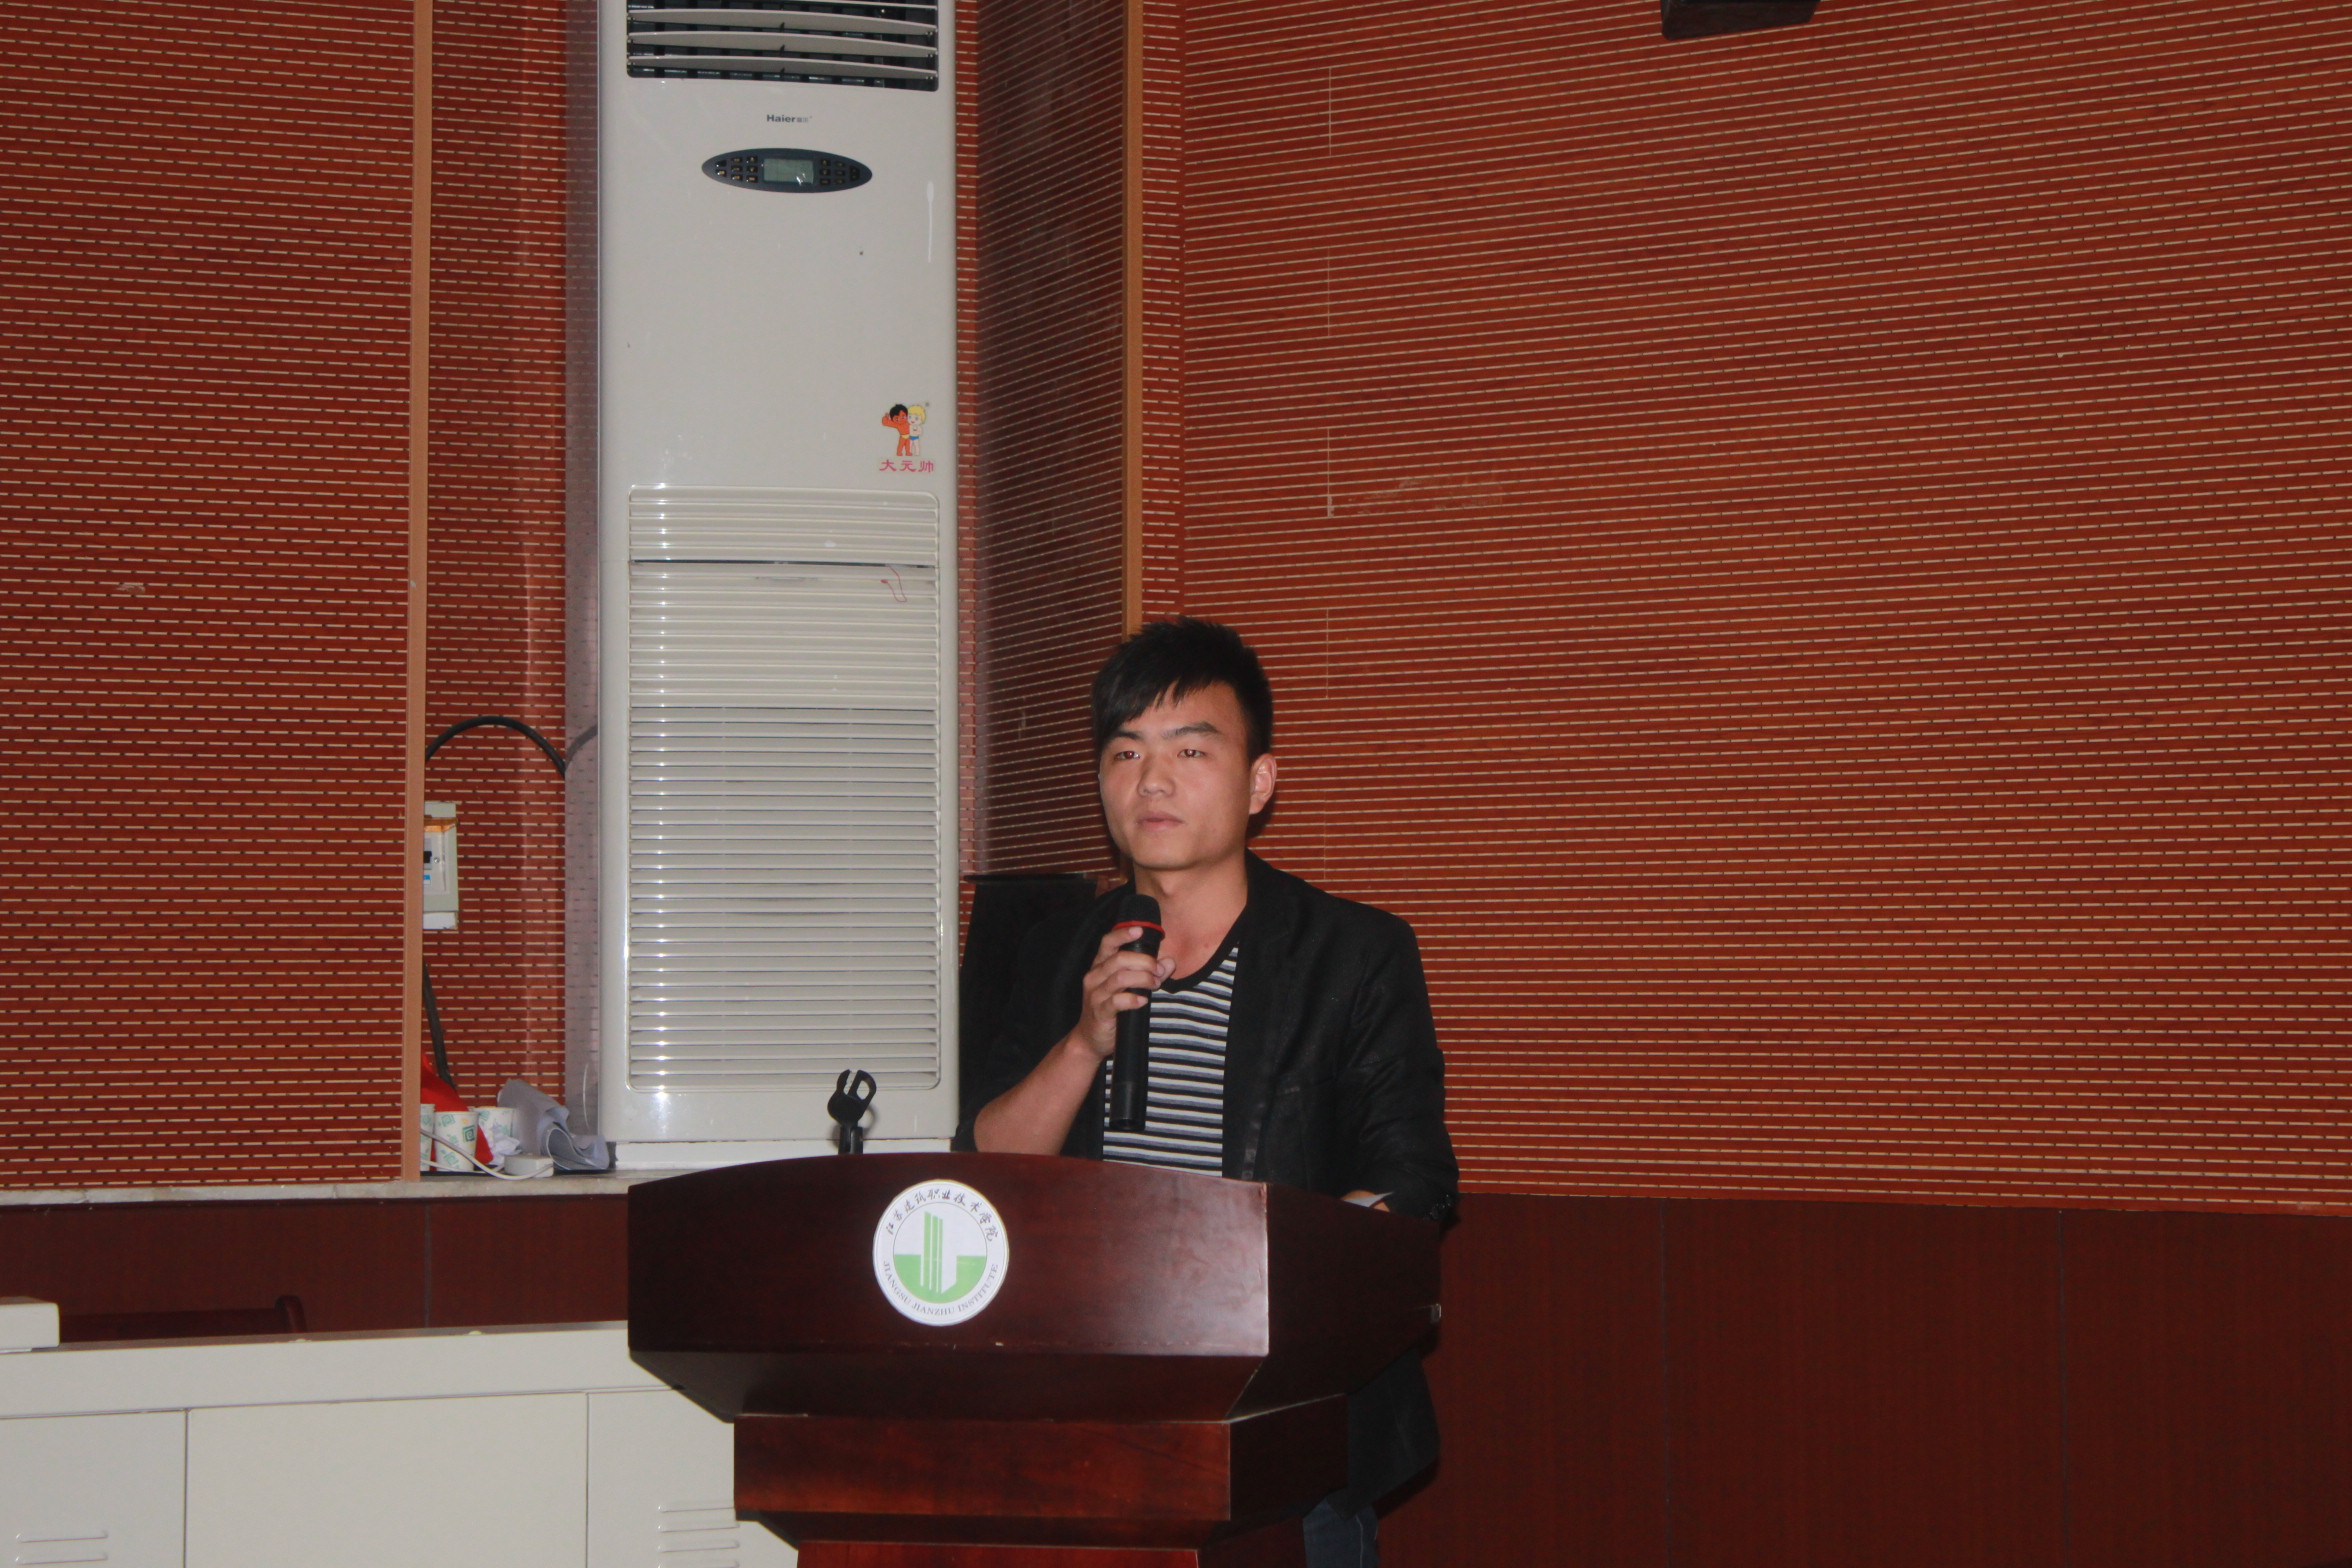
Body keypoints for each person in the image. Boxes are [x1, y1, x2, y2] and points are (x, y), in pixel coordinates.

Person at [956, 617, 1457, 1568]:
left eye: (1190, 750)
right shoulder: (1055, 955)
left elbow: (1414, 1178)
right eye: (1126, 752)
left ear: (1259, 782)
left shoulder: (1353, 954)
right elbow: (986, 1172)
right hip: (1087, 1429)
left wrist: (1268, 1295)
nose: (1153, 780)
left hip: (1289, 1436)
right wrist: (1083, 1041)